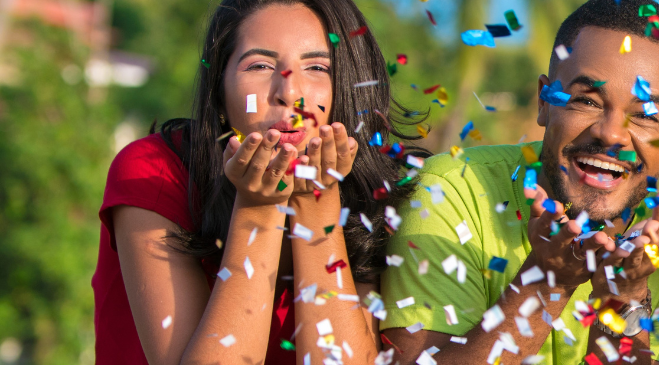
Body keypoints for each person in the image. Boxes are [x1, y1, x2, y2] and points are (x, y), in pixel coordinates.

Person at [91, 0, 427, 363]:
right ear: (219, 92)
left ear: (351, 88)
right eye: (260, 66)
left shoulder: (378, 195)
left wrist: (317, 202)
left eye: (317, 67)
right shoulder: (154, 171)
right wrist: (259, 207)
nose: (290, 94)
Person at [378, 0, 659, 363]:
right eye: (587, 101)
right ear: (544, 101)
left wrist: (625, 297)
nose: (611, 134)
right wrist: (548, 282)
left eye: (645, 115)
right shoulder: (448, 190)